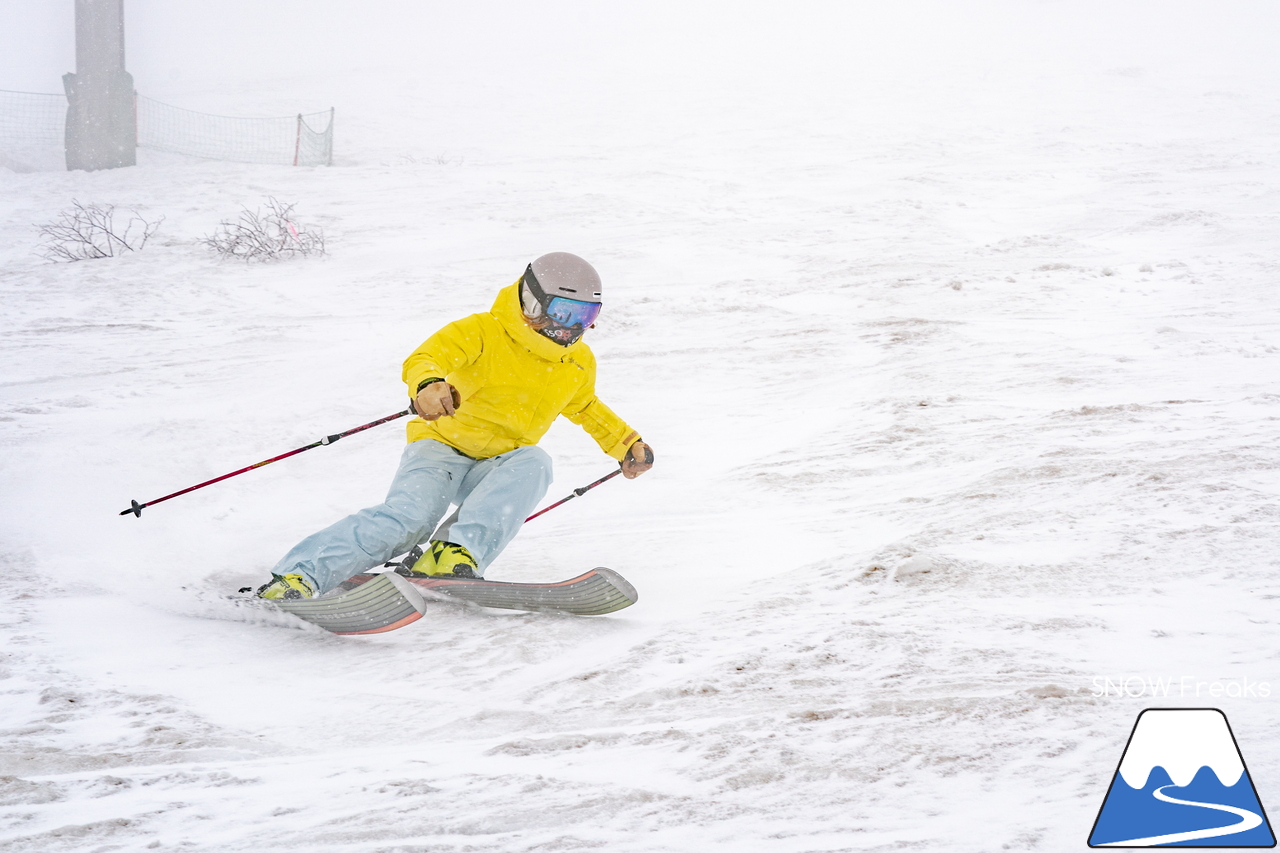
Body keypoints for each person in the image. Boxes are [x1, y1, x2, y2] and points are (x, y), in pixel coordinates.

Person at [257, 252, 653, 600]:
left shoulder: (578, 361)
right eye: (564, 311)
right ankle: (299, 575)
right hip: (441, 447)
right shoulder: (483, 331)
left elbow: (584, 406)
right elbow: (426, 357)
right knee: (411, 520)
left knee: (535, 462)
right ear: (532, 301)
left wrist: (625, 443)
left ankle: (450, 555)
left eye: (585, 315)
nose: (572, 326)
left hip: (497, 463)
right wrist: (429, 385)